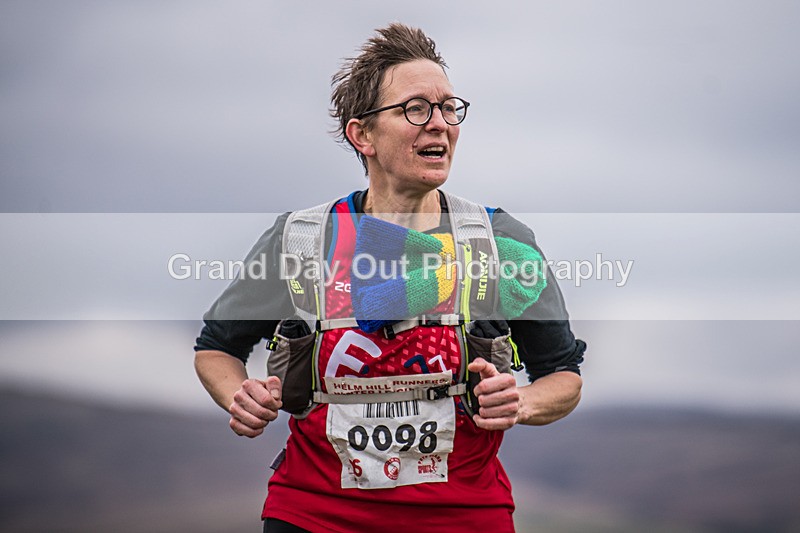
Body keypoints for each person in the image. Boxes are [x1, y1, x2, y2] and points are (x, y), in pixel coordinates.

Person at [194, 23, 585, 533]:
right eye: (416, 108)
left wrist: (522, 401)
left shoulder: (497, 240)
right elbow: (215, 346)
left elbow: (564, 374)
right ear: (363, 135)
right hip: (313, 514)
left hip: (465, 517)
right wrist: (238, 395)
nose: (439, 124)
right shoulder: (304, 239)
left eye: (449, 108)